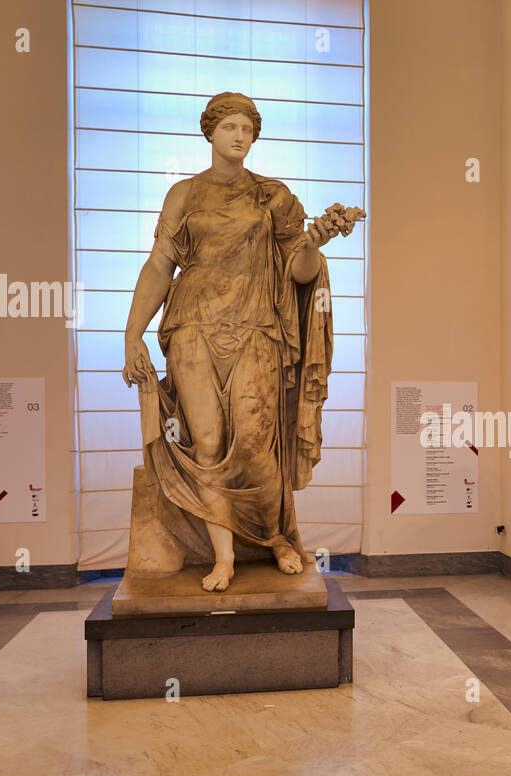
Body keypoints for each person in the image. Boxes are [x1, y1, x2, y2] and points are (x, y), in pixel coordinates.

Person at [121, 92, 360, 590]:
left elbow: (299, 272)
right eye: (229, 126)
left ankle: (273, 536)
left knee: (255, 444)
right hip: (191, 325)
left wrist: (314, 243)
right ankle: (224, 557)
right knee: (206, 442)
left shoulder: (274, 196)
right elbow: (159, 266)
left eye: (247, 128)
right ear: (209, 132)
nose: (239, 136)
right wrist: (132, 333)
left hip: (256, 327)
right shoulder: (183, 195)